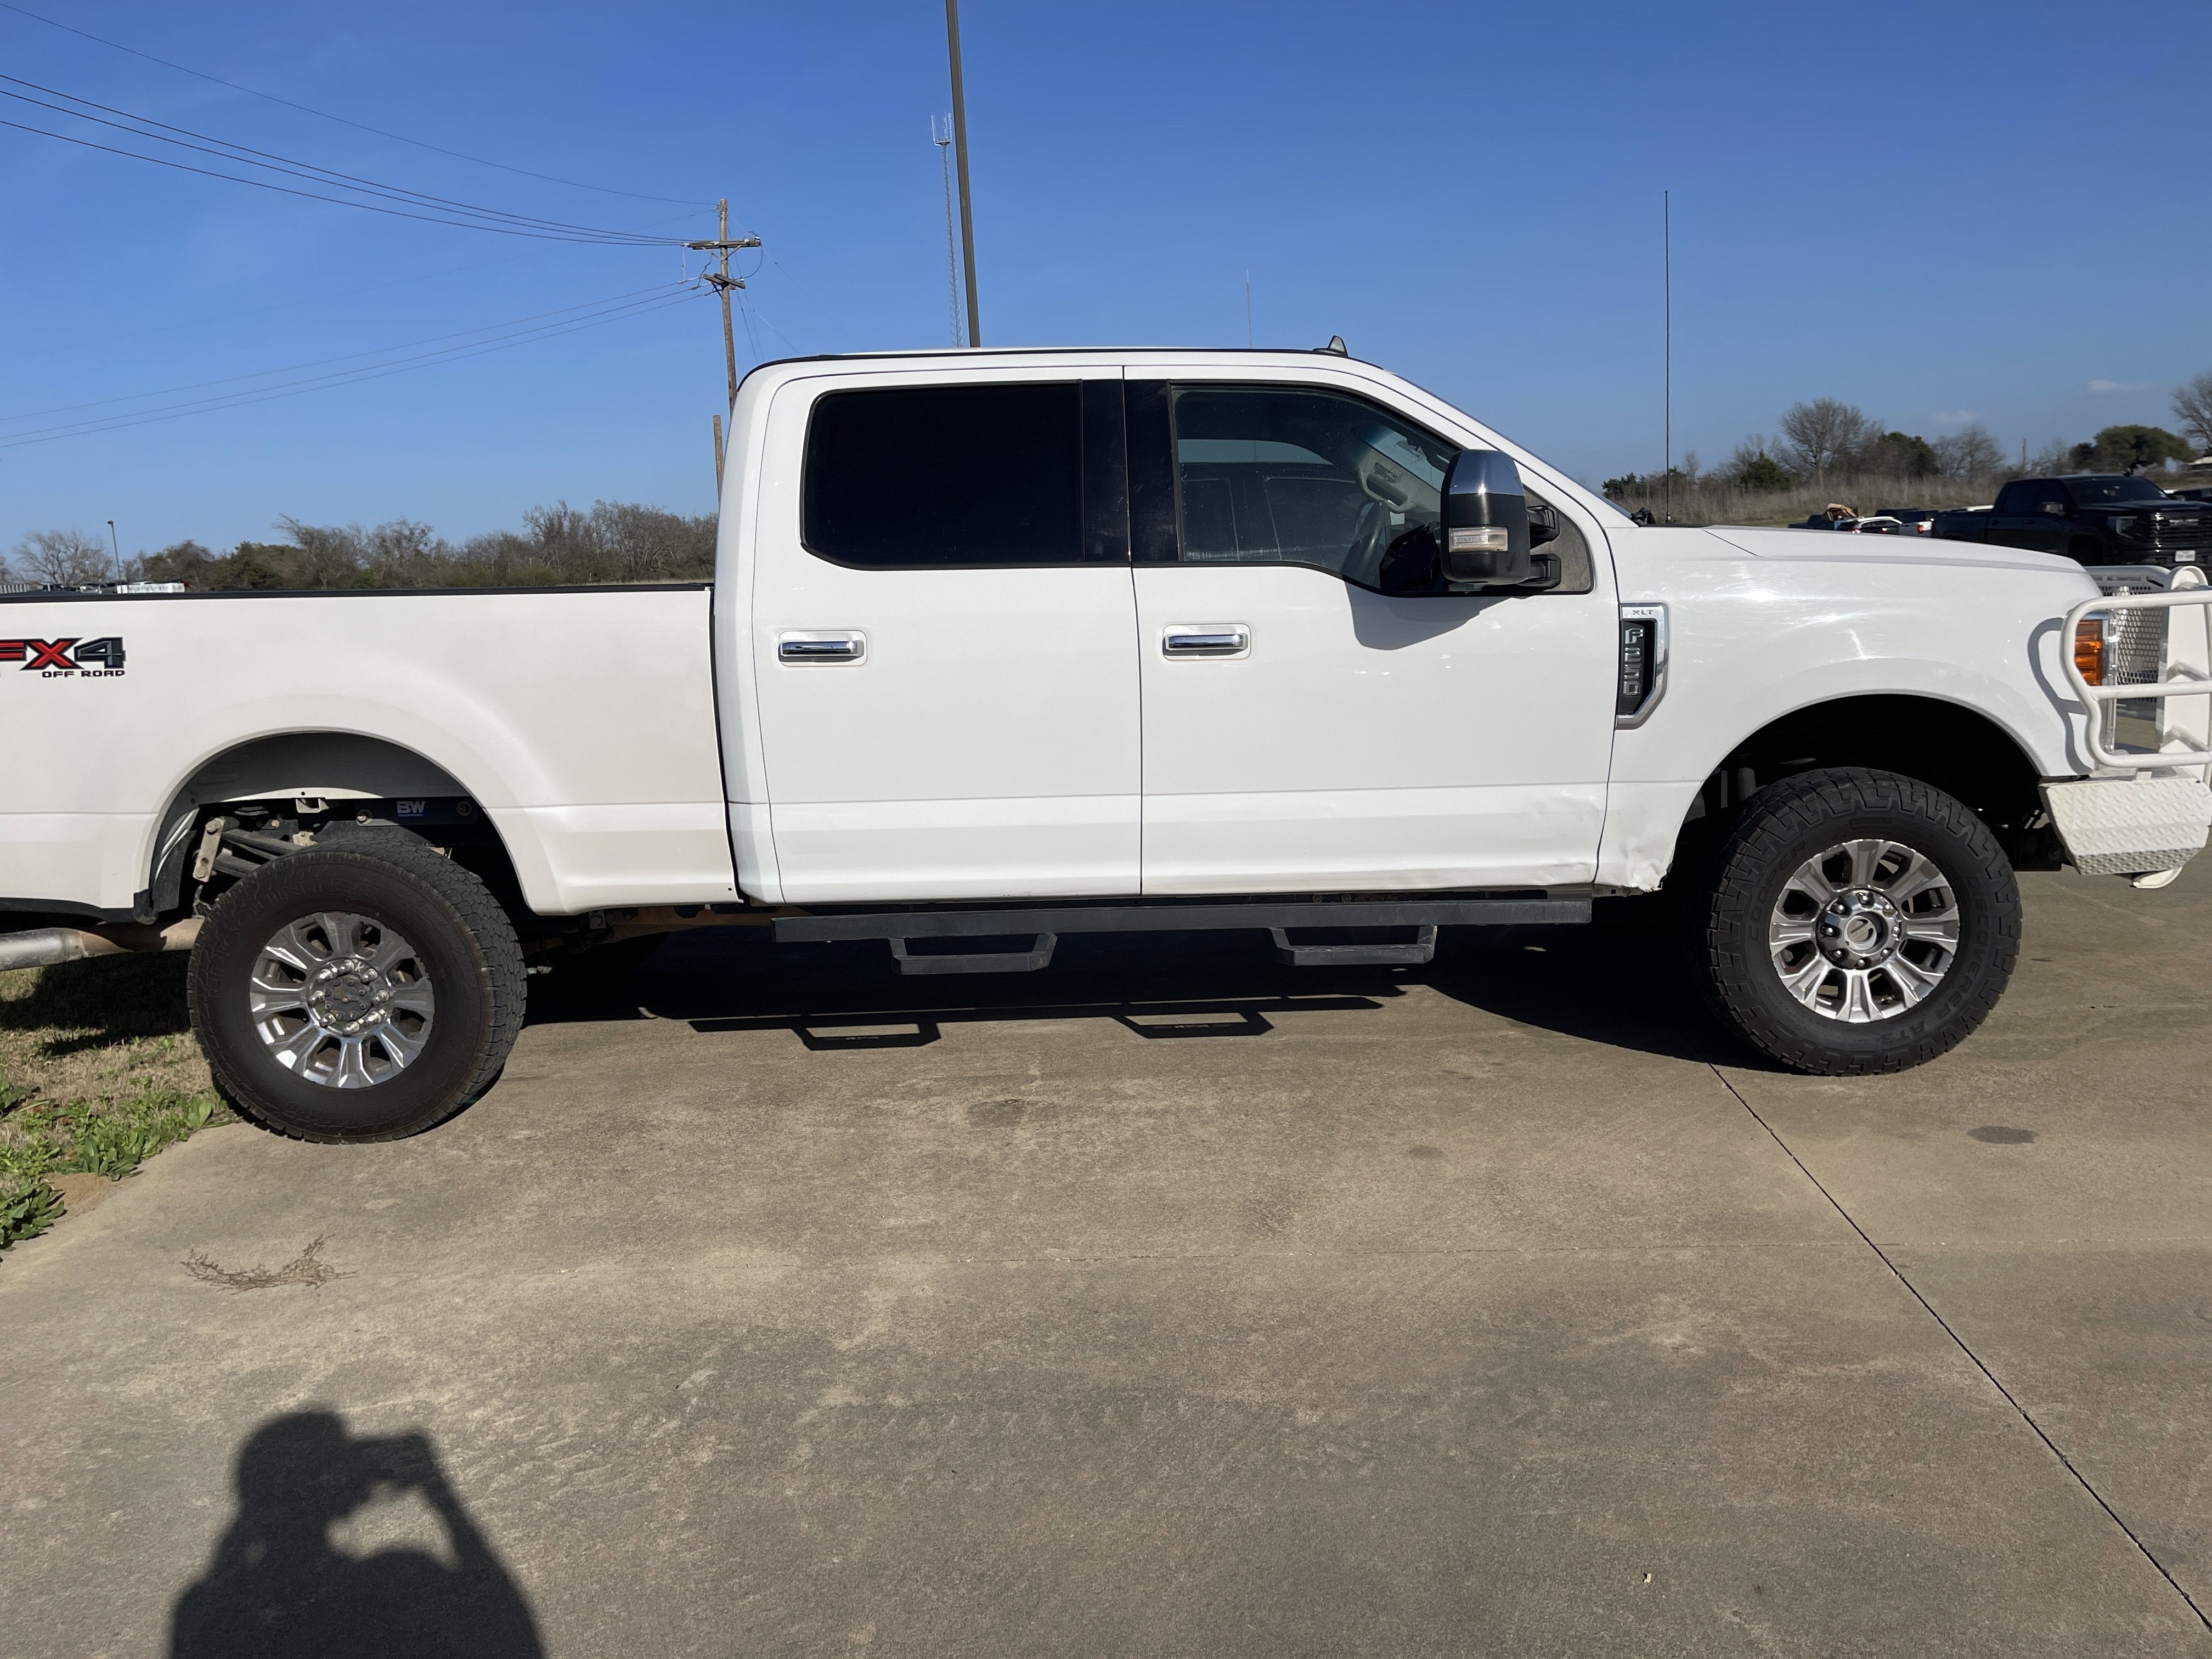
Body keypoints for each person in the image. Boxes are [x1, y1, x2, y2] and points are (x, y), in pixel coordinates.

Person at [170, 1411, 543, 1659]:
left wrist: (264, 1511)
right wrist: (440, 1492)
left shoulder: (206, 1607)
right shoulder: (402, 1580)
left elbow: (224, 1575)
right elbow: (506, 1620)